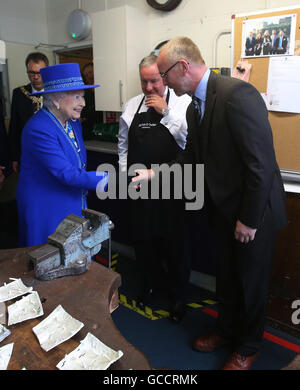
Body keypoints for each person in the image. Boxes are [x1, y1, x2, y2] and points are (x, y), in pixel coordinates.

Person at [133, 37, 287, 369]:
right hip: (222, 211)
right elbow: (192, 156)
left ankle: (248, 347)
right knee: (227, 278)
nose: (162, 82)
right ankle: (226, 330)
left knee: (251, 281)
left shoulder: (237, 95)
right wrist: (155, 175)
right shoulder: (193, 106)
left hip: (253, 212)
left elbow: (260, 165)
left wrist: (248, 219)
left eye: (163, 73)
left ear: (182, 67)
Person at [118, 54, 191, 322]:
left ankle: (178, 296)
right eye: (144, 82)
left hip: (173, 187)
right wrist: (125, 173)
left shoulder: (183, 104)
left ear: (164, 77)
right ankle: (150, 286)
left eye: (154, 81)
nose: (149, 88)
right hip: (140, 189)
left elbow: (188, 142)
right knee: (144, 243)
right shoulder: (131, 106)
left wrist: (166, 113)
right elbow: (123, 144)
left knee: (175, 246)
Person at [17, 63, 108, 247]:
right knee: (49, 255)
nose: (83, 103)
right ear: (56, 99)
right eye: (76, 97)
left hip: (71, 196)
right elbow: (66, 173)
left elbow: (78, 164)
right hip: (45, 204)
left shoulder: (73, 122)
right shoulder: (38, 129)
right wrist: (111, 180)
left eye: (82, 97)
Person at [8, 52, 49, 173]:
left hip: (51, 152)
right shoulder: (19, 93)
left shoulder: (56, 93)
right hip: (27, 153)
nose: (35, 77)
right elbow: (14, 127)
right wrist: (14, 157)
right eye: (31, 72)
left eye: (39, 72)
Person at [80, 62, 103, 140]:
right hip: (87, 133)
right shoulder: (83, 93)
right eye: (86, 75)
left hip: (102, 131)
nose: (90, 76)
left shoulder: (105, 89)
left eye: (91, 72)